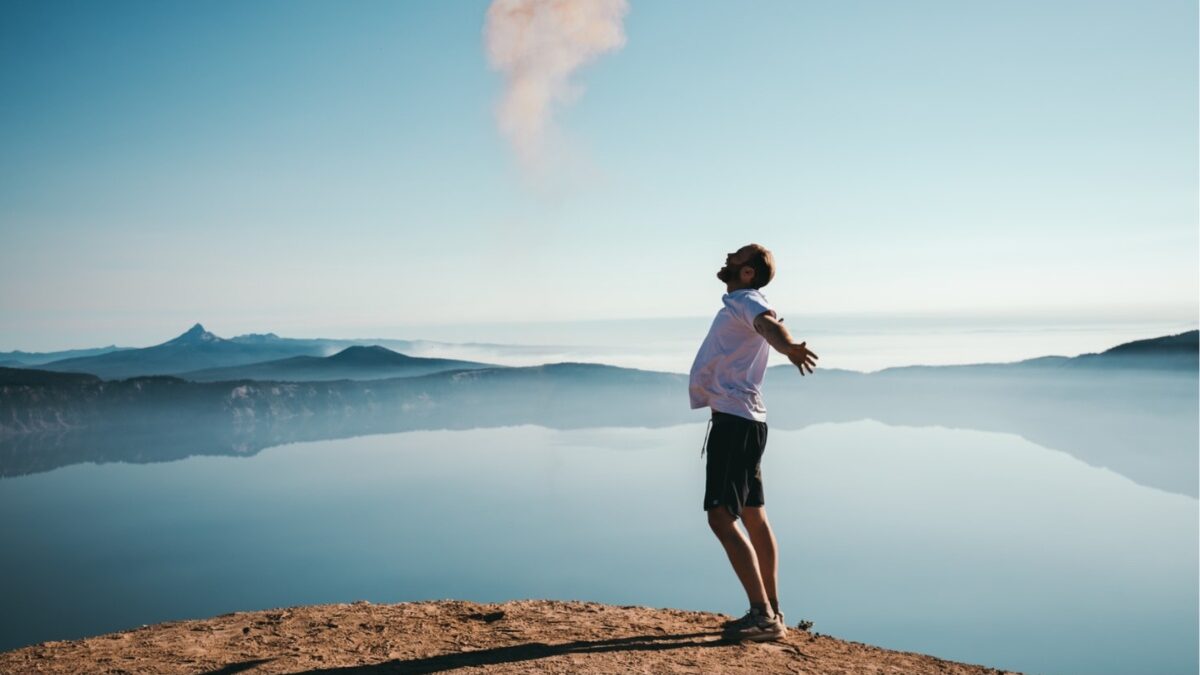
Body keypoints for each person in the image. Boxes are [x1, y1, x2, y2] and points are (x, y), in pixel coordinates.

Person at [688, 243, 817, 642]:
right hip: (745, 420)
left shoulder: (747, 301)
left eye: (736, 257)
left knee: (720, 517)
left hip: (734, 422)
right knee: (752, 513)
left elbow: (769, 325)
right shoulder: (743, 301)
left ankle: (762, 617)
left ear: (747, 273)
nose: (727, 257)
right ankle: (771, 608)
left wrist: (788, 346)